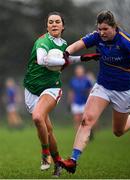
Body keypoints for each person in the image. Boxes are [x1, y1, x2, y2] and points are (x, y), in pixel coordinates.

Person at [57, 10, 130, 174]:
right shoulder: (96, 36)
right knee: (86, 120)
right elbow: (77, 44)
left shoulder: (125, 40)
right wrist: (66, 53)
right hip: (102, 86)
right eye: (99, 29)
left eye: (105, 29)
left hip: (124, 91)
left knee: (118, 131)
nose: (101, 33)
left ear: (114, 27)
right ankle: (73, 160)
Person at [23, 11, 99, 177]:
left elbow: (66, 59)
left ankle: (45, 154)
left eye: (57, 22)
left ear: (63, 26)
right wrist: (69, 59)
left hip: (51, 87)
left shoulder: (64, 44)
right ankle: (58, 162)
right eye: (51, 22)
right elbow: (44, 60)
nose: (54, 24)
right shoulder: (42, 41)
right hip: (31, 88)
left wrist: (84, 58)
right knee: (48, 130)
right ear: (47, 26)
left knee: (37, 117)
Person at [68, 65, 93, 130]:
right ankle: (78, 135)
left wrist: (90, 101)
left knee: (84, 119)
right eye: (77, 71)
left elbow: (90, 90)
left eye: (80, 71)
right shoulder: (73, 80)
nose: (79, 72)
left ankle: (87, 132)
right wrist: (70, 102)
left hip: (84, 102)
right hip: (76, 102)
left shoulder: (87, 80)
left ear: (83, 72)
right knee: (76, 119)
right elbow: (71, 92)